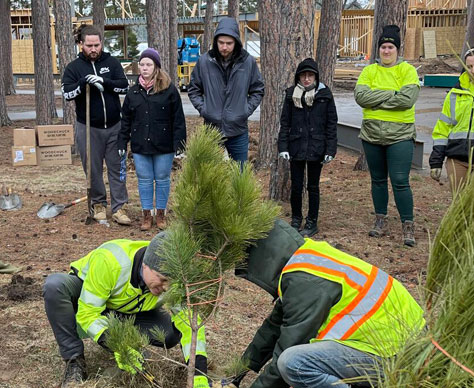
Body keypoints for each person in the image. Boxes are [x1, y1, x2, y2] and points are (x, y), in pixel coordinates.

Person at [195, 220, 425, 388]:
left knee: (293, 363)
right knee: (295, 357)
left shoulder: (305, 281)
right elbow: (273, 328)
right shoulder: (306, 260)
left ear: (261, 258)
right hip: (399, 345)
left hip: (400, 358)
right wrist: (235, 376)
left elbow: (287, 348)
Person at [43, 232, 211, 388]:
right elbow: (88, 313)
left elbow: (189, 322)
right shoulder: (110, 261)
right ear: (146, 265)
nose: (166, 288)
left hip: (128, 309)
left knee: (169, 335)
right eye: (162, 280)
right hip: (87, 296)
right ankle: (74, 361)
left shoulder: (172, 270)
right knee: (55, 286)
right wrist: (119, 345)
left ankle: (130, 341)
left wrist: (199, 372)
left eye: (171, 282)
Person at [354, 25, 420, 247]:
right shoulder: (369, 71)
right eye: (383, 46)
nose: (387, 51)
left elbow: (407, 100)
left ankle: (407, 224)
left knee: (400, 181)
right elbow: (361, 97)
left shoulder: (407, 71)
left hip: (400, 135)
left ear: (397, 49)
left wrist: (377, 100)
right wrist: (392, 93)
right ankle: (380, 219)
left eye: (391, 46)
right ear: (378, 49)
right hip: (372, 135)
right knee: (378, 179)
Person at [62, 25, 132, 226]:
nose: (94, 49)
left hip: (114, 126)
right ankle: (98, 204)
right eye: (89, 45)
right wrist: (83, 83)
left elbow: (124, 86)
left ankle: (119, 207)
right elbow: (67, 94)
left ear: (102, 43)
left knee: (117, 167)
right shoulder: (74, 68)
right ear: (81, 44)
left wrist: (105, 81)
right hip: (88, 127)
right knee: (92, 168)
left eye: (97, 45)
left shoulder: (112, 63)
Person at [118, 48, 186, 232]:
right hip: (141, 144)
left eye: (149, 64)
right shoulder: (133, 93)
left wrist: (180, 145)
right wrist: (122, 142)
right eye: (142, 64)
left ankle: (161, 214)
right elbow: (125, 121)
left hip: (164, 144)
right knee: (145, 179)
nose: (145, 68)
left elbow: (178, 118)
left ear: (156, 66)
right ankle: (146, 214)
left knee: (162, 178)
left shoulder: (168, 90)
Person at [188, 17, 265, 169]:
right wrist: (205, 110)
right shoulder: (204, 61)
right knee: (210, 176)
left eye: (229, 43)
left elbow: (257, 89)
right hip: (211, 129)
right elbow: (194, 89)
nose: (224, 47)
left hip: (238, 130)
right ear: (215, 41)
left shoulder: (247, 62)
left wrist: (244, 111)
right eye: (221, 42)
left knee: (239, 174)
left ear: (236, 42)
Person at [278, 58, 338, 238]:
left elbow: (331, 124)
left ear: (316, 77)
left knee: (313, 186)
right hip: (296, 146)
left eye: (310, 75)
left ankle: (312, 220)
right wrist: (283, 146)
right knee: (296, 185)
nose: (306, 79)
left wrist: (330, 150)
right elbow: (285, 122)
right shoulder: (291, 95)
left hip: (316, 147)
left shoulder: (325, 95)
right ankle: (296, 218)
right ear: (298, 77)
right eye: (303, 75)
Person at [429, 48, 474, 193]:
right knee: (458, 205)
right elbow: (442, 128)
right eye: (469, 67)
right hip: (457, 159)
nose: (473, 70)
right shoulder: (455, 93)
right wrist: (436, 161)